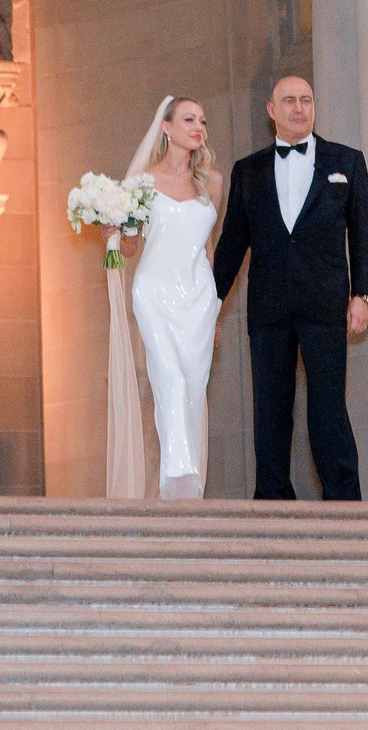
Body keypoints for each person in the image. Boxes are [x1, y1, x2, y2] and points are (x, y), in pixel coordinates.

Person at [211, 76, 368, 500]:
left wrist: (362, 294)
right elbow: (231, 245)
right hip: (268, 307)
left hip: (326, 303)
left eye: (305, 100)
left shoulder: (348, 161)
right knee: (269, 408)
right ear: (271, 110)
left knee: (328, 408)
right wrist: (209, 306)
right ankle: (272, 502)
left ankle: (345, 505)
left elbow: (363, 234)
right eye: (289, 101)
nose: (298, 108)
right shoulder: (248, 171)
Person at [105, 95, 222, 499]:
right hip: (153, 290)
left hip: (199, 298)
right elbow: (133, 248)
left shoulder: (213, 182)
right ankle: (180, 478)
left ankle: (180, 483)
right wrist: (115, 234)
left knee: (191, 388)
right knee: (168, 377)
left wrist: (217, 312)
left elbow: (208, 246)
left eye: (203, 121)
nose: (198, 127)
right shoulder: (144, 182)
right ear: (167, 127)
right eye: (189, 119)